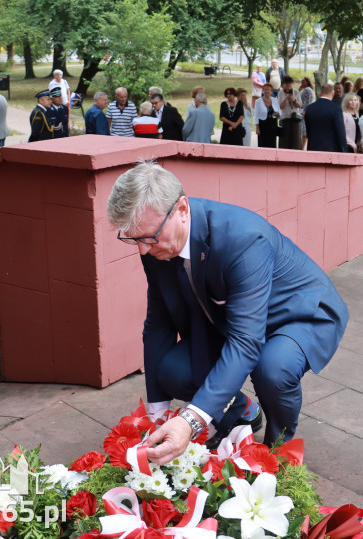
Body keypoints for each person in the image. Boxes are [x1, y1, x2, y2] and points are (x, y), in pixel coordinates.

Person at [107, 161, 348, 456]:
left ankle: (279, 452)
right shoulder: (155, 243)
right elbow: (159, 322)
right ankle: (242, 410)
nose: (143, 249)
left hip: (297, 313)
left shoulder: (243, 239)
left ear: (182, 209)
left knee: (271, 369)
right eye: (133, 239)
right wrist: (157, 414)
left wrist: (191, 421)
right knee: (172, 372)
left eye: (147, 237)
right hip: (232, 318)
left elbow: (246, 342)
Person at [304, 84, 347, 153]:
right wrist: (344, 150)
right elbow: (340, 132)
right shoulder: (336, 109)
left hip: (314, 147)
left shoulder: (309, 108)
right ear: (332, 94)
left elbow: (308, 130)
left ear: (320, 93)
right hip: (331, 149)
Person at [277, 76, 303, 150]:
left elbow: (300, 105)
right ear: (283, 84)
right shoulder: (280, 93)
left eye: (290, 83)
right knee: (284, 140)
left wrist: (294, 100)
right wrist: (285, 99)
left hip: (295, 119)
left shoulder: (296, 92)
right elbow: (280, 106)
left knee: (295, 141)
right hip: (285, 119)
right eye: (286, 83)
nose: (288, 85)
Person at [254, 84, 281, 148]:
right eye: (265, 89)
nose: (267, 91)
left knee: (272, 144)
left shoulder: (275, 100)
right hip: (262, 125)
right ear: (263, 90)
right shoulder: (258, 101)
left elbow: (279, 111)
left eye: (268, 90)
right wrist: (257, 128)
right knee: (262, 144)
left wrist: (277, 114)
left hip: (272, 125)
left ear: (271, 91)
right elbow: (256, 115)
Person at [298, 77, 316, 149]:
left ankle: (302, 148)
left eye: (303, 82)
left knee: (304, 132)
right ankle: (301, 147)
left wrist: (305, 111)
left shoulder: (308, 90)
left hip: (304, 111)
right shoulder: (306, 89)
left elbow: (309, 102)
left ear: (307, 82)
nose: (302, 83)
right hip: (303, 110)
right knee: (303, 131)